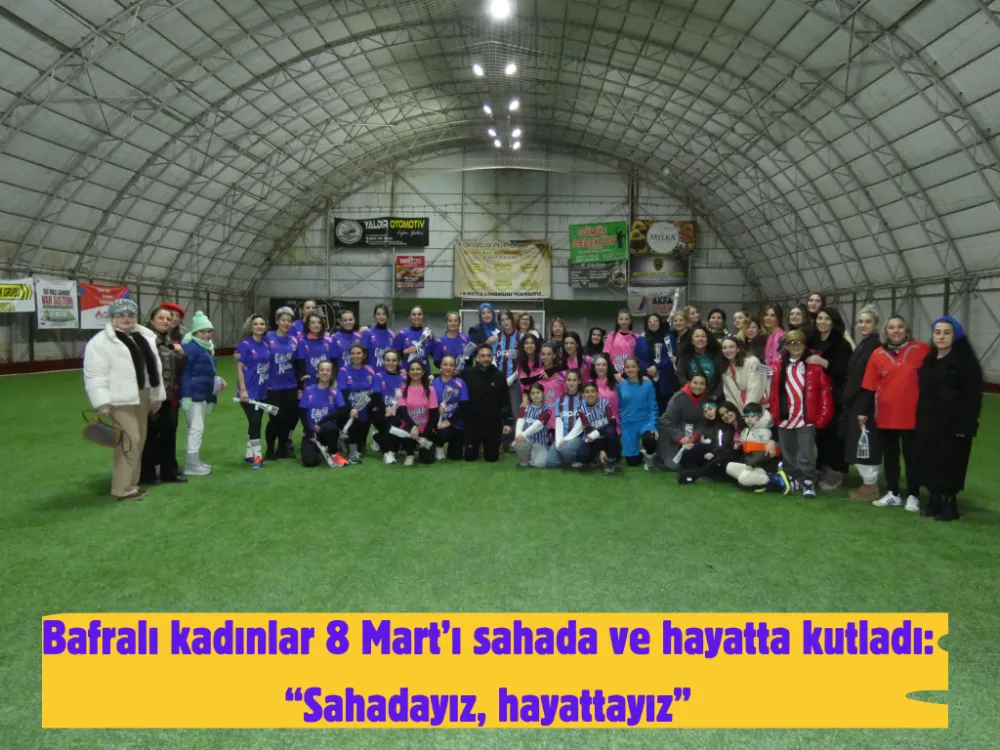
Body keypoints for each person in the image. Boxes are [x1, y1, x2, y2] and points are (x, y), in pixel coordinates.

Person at [83, 298, 165, 501]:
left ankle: (131, 484)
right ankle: (121, 488)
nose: (126, 319)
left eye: (130, 315)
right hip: (119, 399)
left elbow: (154, 369)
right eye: (121, 315)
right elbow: (95, 375)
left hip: (143, 394)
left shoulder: (144, 337)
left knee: (140, 440)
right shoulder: (100, 342)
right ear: (112, 318)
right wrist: (102, 402)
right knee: (129, 441)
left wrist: (156, 395)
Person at [913, 317, 983, 521]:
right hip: (929, 422)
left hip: (953, 425)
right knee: (930, 461)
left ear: (955, 336)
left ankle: (949, 504)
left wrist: (965, 426)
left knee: (950, 463)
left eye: (946, 333)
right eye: (937, 332)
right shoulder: (929, 360)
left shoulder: (966, 364)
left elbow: (972, 398)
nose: (941, 337)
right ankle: (934, 499)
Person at [858, 316, 929, 512]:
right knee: (890, 456)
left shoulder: (921, 349)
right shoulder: (877, 354)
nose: (896, 331)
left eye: (900, 327)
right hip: (886, 415)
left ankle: (913, 495)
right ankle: (893, 493)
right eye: (891, 327)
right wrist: (862, 411)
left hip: (914, 415)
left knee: (912, 456)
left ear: (907, 330)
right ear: (886, 331)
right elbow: (869, 386)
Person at [767, 329, 833, 498]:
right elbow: (773, 393)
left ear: (804, 345)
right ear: (786, 346)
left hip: (805, 417)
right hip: (785, 417)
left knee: (806, 452)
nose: (795, 346)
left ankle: (808, 480)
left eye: (799, 343)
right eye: (792, 343)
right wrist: (774, 413)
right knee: (788, 452)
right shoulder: (779, 365)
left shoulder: (813, 367)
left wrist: (822, 416)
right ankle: (792, 476)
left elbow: (824, 392)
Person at [140, 305, 187, 485]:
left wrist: (181, 354)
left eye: (169, 319)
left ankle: (169, 472)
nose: (166, 321)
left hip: (167, 395)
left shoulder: (168, 340)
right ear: (152, 320)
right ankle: (148, 474)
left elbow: (176, 367)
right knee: (150, 436)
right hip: (151, 395)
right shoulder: (145, 340)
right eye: (161, 318)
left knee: (168, 433)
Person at [808, 307, 854, 490]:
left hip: (834, 395)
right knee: (821, 434)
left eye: (827, 319)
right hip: (815, 395)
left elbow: (844, 370)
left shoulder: (841, 344)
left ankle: (836, 472)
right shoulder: (813, 340)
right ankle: (822, 466)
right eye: (820, 318)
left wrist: (823, 362)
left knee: (835, 435)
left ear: (834, 322)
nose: (822, 322)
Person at [843, 305, 883, 501]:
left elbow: (866, 379)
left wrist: (861, 407)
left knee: (862, 445)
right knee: (865, 443)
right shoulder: (867, 344)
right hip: (860, 401)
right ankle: (870, 483)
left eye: (868, 321)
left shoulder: (873, 346)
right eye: (860, 322)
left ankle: (870, 485)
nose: (863, 325)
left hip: (863, 402)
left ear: (875, 324)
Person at [179, 311, 221, 476]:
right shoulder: (191, 348)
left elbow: (209, 375)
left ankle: (194, 460)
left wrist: (211, 396)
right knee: (196, 428)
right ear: (195, 332)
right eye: (203, 331)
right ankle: (191, 464)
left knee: (196, 427)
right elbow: (185, 374)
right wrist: (186, 396)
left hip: (202, 394)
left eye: (209, 331)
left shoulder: (206, 349)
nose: (207, 335)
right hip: (193, 395)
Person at [463, 345, 513, 462]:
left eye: (489, 356)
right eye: (483, 356)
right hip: (473, 423)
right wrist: (432, 377)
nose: (486, 358)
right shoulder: (468, 374)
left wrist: (508, 422)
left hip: (492, 424)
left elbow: (506, 400)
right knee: (470, 457)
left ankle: (488, 446)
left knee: (492, 458)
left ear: (492, 357)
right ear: (477, 357)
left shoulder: (499, 376)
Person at [235, 315, 271, 469]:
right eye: (256, 324)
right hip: (248, 392)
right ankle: (258, 457)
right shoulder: (244, 345)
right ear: (251, 327)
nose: (259, 326)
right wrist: (243, 390)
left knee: (255, 422)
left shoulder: (266, 344)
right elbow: (239, 368)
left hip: (262, 390)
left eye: (262, 324)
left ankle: (249, 455)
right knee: (255, 422)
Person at [298, 361, 349, 468]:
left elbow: (343, 411)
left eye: (328, 370)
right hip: (312, 432)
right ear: (317, 373)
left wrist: (321, 422)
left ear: (332, 374)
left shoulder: (335, 392)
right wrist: (309, 432)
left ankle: (334, 453)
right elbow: (302, 413)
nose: (325, 372)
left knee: (331, 428)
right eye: (322, 370)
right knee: (309, 463)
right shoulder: (308, 390)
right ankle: (317, 449)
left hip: (327, 431)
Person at [265, 307, 300, 460]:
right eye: (283, 320)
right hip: (273, 386)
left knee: (287, 418)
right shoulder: (268, 337)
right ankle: (270, 450)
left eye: (289, 321)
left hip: (290, 385)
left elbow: (297, 363)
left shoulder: (294, 340)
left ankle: (282, 449)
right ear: (277, 321)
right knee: (275, 418)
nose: (286, 323)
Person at [656, 373, 709, 472]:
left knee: (696, 462)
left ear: (706, 386)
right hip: (670, 431)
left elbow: (704, 422)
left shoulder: (707, 399)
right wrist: (680, 437)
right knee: (673, 465)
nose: (698, 386)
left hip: (691, 433)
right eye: (695, 383)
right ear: (689, 383)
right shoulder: (678, 398)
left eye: (702, 384)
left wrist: (695, 436)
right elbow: (668, 421)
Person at [336, 343, 378, 464]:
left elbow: (373, 392)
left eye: (359, 353)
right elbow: (343, 394)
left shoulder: (370, 370)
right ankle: (349, 444)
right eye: (353, 353)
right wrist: (351, 409)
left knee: (361, 444)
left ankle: (358, 442)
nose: (356, 356)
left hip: (365, 407)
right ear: (349, 355)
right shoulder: (343, 371)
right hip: (349, 408)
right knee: (354, 427)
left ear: (364, 355)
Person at [393, 360, 440, 465]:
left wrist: (425, 434)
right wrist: (413, 426)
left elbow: (433, 414)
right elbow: (403, 411)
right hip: (409, 426)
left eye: (418, 369)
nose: (415, 372)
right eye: (412, 369)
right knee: (405, 434)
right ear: (408, 372)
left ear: (423, 372)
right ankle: (410, 454)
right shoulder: (403, 389)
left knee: (427, 460)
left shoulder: (430, 390)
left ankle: (420, 447)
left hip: (425, 427)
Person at [617, 357, 659, 468]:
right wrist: (620, 425)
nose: (630, 369)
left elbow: (653, 407)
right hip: (628, 424)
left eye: (633, 366)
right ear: (624, 369)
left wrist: (653, 425)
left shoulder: (648, 385)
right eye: (627, 367)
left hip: (645, 422)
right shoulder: (621, 386)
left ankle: (650, 454)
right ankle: (642, 453)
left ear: (638, 368)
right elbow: (620, 407)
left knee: (650, 440)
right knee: (632, 462)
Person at [635, 313, 678, 414]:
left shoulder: (668, 338)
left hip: (665, 378)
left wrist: (657, 367)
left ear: (660, 323)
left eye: (656, 321)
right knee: (650, 406)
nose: (653, 323)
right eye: (650, 321)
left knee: (665, 408)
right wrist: (648, 369)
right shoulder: (641, 339)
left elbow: (670, 355)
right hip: (648, 377)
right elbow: (637, 357)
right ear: (647, 324)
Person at [545, 369, 586, 468]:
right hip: (563, 437)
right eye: (569, 380)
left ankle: (578, 458)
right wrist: (559, 440)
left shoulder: (584, 399)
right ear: (565, 381)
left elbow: (580, 426)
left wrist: (567, 439)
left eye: (574, 380)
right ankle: (568, 459)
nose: (571, 383)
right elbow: (558, 423)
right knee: (550, 463)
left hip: (579, 437)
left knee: (565, 450)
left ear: (579, 381)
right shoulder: (559, 400)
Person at [577, 382, 620, 475]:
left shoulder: (605, 403)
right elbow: (588, 431)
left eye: (593, 391)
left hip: (607, 437)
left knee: (610, 431)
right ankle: (598, 456)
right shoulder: (581, 409)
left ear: (598, 393)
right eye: (587, 392)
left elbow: (612, 424)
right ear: (583, 395)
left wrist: (597, 432)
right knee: (581, 456)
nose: (590, 394)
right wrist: (601, 450)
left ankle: (610, 462)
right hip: (594, 440)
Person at [432, 355, 469, 461]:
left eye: (451, 365)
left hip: (456, 423)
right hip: (439, 423)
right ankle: (438, 446)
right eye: (445, 364)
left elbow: (464, 406)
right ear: (440, 367)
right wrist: (437, 420)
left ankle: (456, 443)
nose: (448, 367)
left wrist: (450, 421)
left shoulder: (460, 383)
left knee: (455, 457)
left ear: (455, 368)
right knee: (440, 433)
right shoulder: (434, 383)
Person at [720, 336, 767, 413]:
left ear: (738, 349)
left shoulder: (752, 362)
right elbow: (729, 395)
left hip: (757, 406)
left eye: (731, 347)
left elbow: (755, 388)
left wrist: (748, 411)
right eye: (724, 348)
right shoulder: (725, 368)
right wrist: (736, 412)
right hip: (741, 410)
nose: (728, 350)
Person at [676, 324, 723, 396]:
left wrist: (715, 395)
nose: (700, 339)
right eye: (697, 336)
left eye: (703, 336)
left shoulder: (716, 355)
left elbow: (721, 378)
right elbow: (681, 375)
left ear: (707, 340)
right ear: (692, 340)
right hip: (691, 395)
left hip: (712, 396)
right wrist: (692, 390)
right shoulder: (685, 356)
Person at [514, 383, 552, 468]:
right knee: (518, 443)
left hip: (540, 441)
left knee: (540, 464)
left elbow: (538, 425)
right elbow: (520, 420)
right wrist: (518, 435)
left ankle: (537, 454)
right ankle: (524, 460)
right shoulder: (524, 407)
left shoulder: (547, 410)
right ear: (530, 396)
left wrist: (522, 435)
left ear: (543, 394)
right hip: (526, 440)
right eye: (533, 393)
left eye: (538, 392)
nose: (535, 395)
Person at [393, 306, 434, 371]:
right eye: (414, 314)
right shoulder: (401, 334)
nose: (417, 317)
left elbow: (435, 355)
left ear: (423, 317)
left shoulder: (428, 334)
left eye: (419, 314)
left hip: (424, 373)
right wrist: (406, 351)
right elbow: (394, 357)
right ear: (409, 318)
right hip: (406, 372)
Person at [361, 303, 396, 376]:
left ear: (387, 316)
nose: (381, 317)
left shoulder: (392, 334)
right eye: (378, 314)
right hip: (372, 374)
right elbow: (364, 357)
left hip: (388, 374)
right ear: (375, 316)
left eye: (384, 314)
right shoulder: (368, 333)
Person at [603, 308, 640, 374]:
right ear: (618, 320)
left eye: (626, 319)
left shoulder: (636, 337)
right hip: (614, 373)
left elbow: (639, 358)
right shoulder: (611, 335)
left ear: (630, 321)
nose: (623, 321)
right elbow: (606, 356)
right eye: (621, 319)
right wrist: (614, 372)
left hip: (630, 373)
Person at [762, 304, 785, 370]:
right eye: (766, 315)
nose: (768, 318)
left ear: (778, 319)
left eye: (772, 315)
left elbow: (776, 364)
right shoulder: (771, 335)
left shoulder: (778, 336)